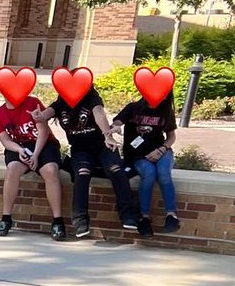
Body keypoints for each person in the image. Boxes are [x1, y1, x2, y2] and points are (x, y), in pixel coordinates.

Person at [32, 85, 138, 238]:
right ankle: (80, 220)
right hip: (80, 149)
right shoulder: (61, 103)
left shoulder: (92, 99)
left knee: (115, 169)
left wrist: (107, 135)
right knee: (82, 173)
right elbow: (46, 114)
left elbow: (99, 114)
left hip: (103, 145)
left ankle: (128, 215)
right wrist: (39, 116)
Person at [0, 92, 66, 239]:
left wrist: (35, 155)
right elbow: (5, 141)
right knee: (12, 169)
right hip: (18, 146)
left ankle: (58, 221)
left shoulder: (32, 103)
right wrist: (20, 150)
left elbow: (43, 132)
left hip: (44, 145)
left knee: (51, 170)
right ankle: (6, 218)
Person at [111, 94, 179, 236]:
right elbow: (118, 120)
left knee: (163, 173)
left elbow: (171, 137)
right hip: (138, 155)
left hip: (161, 151)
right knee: (149, 173)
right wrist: (116, 126)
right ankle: (144, 218)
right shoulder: (133, 108)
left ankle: (171, 215)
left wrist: (161, 150)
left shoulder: (166, 111)